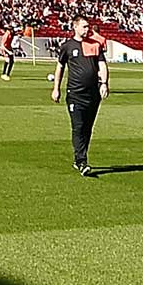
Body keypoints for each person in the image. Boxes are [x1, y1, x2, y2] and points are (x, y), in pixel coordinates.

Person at [50, 15, 108, 176]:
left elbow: (102, 65)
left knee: (88, 128)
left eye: (88, 26)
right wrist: (56, 88)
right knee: (78, 126)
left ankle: (79, 159)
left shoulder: (95, 45)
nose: (87, 29)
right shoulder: (67, 46)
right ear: (75, 27)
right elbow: (60, 67)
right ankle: (81, 160)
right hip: (75, 94)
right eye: (84, 26)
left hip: (93, 94)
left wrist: (104, 83)